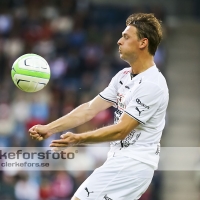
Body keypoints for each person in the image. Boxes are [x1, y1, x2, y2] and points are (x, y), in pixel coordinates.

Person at [29, 13, 169, 200]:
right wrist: (49, 128)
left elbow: (122, 130)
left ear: (143, 43)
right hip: (123, 163)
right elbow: (89, 109)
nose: (119, 41)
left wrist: (77, 139)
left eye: (126, 37)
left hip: (132, 165)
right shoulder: (123, 76)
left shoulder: (152, 84)